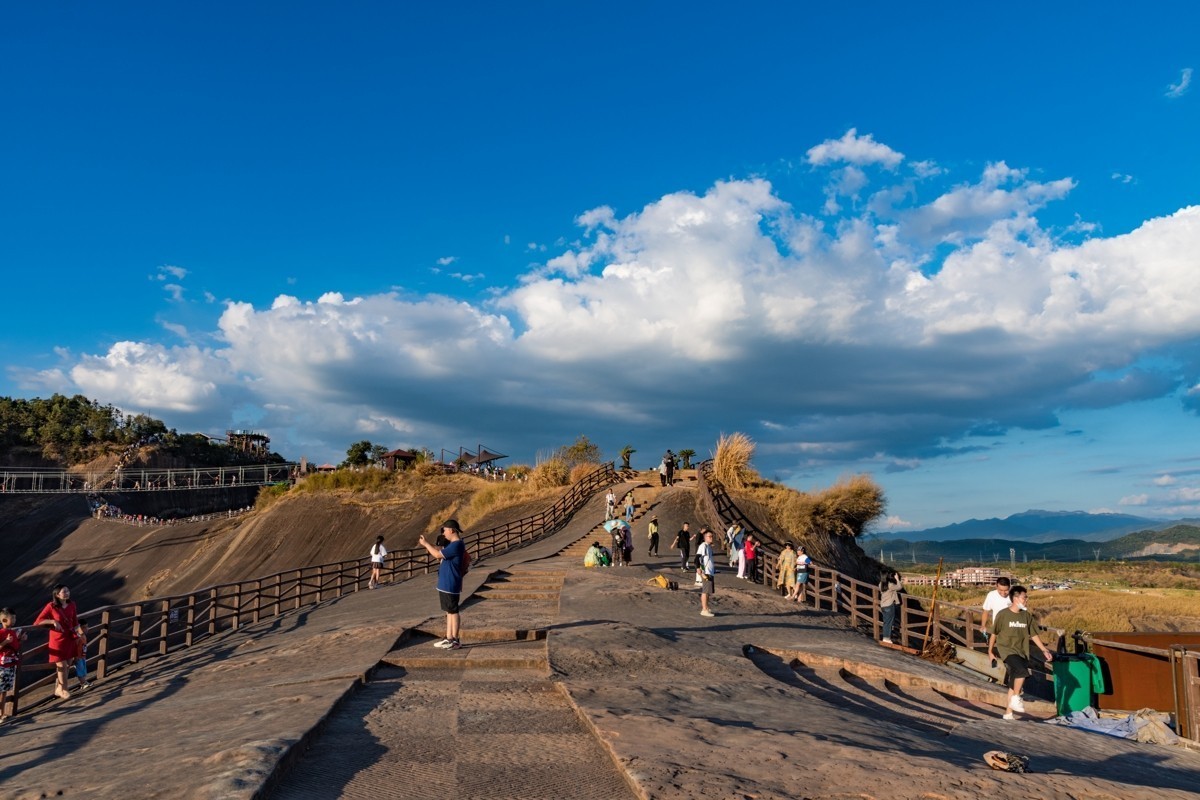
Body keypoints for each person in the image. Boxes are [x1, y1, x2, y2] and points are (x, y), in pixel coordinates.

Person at [988, 585, 1053, 720]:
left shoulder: (1026, 616)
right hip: (1007, 650)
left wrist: (1044, 650)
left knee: (1014, 681)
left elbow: (1034, 635)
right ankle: (1017, 697)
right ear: (1016, 598)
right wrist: (990, 651)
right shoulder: (1003, 614)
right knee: (1022, 671)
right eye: (1024, 597)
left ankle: (1008, 713)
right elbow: (994, 633)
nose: (1026, 599)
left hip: (1022, 651)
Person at [418, 519, 467, 650]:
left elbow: (436, 555)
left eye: (445, 530)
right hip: (446, 583)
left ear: (451, 530)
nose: (444, 533)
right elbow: (439, 551)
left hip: (451, 583)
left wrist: (425, 544)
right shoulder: (453, 545)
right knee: (448, 611)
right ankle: (449, 637)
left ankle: (455, 640)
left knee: (453, 611)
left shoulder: (456, 545)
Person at [35, 584, 83, 699]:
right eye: (64, 591)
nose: (67, 593)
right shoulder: (51, 606)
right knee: (61, 664)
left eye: (68, 590)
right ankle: (64, 690)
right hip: (57, 639)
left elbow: (75, 621)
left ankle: (59, 688)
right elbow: (38, 622)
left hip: (70, 638)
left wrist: (81, 635)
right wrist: (52, 621)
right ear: (57, 594)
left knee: (68, 663)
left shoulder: (72, 604)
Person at [0, 608, 28, 719]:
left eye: (15, 617)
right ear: (4, 620)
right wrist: (6, 642)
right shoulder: (1, 633)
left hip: (10, 665)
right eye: (13, 618)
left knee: (5, 690)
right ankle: (1, 714)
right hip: (2, 666)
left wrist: (21, 639)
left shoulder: (12, 632)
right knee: (1, 690)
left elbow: (15, 646)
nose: (15, 620)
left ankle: (3, 713)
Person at [878, 569, 903, 644]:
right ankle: (887, 638)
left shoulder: (880, 584)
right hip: (889, 605)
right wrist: (897, 579)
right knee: (889, 623)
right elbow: (899, 587)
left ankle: (885, 637)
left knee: (886, 622)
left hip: (883, 605)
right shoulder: (890, 585)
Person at [696, 529, 717, 617]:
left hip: (710, 571)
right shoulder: (703, 546)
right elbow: (697, 558)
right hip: (706, 572)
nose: (711, 538)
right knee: (705, 591)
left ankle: (706, 607)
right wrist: (699, 569)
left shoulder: (708, 546)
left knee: (708, 591)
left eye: (712, 536)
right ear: (705, 538)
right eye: (709, 536)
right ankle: (704, 609)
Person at [75, 620, 91, 690]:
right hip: (78, 656)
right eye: (84, 627)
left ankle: (84, 682)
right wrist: (75, 656)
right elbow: (75, 647)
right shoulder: (78, 637)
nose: (86, 629)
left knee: (84, 669)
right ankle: (83, 683)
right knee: (80, 670)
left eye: (87, 627)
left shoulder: (83, 636)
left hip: (83, 655)